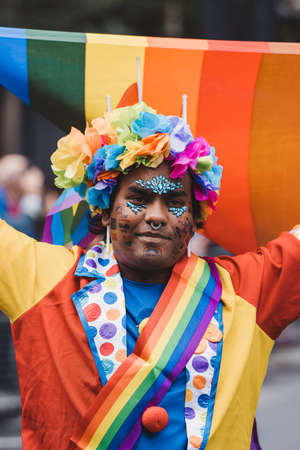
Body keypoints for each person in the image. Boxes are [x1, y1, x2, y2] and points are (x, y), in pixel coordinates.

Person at [0, 102, 299, 450]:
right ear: (107, 208)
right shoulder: (44, 279)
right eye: (138, 199)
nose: (157, 216)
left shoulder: (249, 288)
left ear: (195, 215)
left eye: (174, 202)